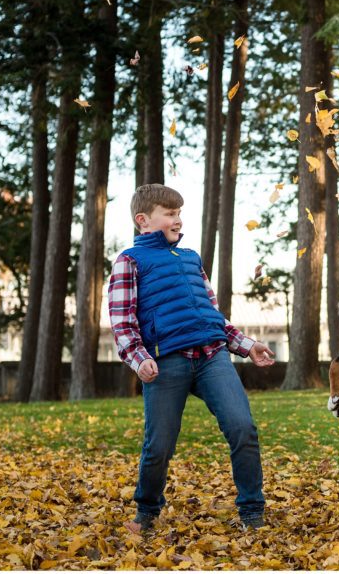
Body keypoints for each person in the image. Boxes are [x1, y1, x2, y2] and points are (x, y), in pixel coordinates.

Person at [108, 183, 276, 534]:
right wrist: (139, 359)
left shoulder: (190, 259)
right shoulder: (130, 262)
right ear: (144, 220)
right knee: (159, 445)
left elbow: (211, 314)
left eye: (179, 213)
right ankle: (147, 512)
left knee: (243, 428)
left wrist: (248, 345)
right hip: (166, 362)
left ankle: (252, 511)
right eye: (169, 213)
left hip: (212, 357)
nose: (178, 220)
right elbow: (122, 323)